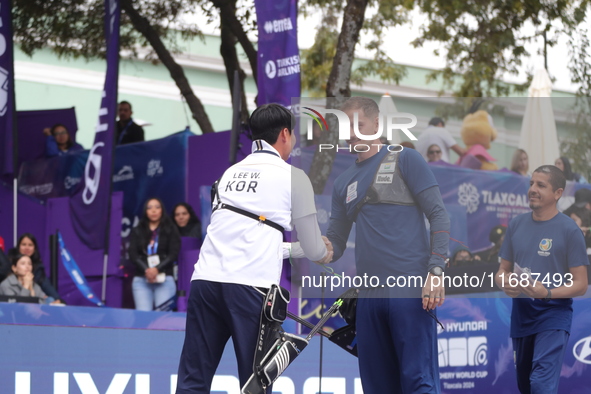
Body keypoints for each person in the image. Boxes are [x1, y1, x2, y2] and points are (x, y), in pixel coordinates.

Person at [176, 103, 331, 393]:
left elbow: (253, 239)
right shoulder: (293, 176)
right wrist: (321, 252)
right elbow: (313, 247)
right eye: (294, 135)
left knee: (193, 379)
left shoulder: (229, 173)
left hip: (206, 283)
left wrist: (295, 249)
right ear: (285, 134)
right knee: (255, 384)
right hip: (250, 288)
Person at [322, 97, 450, 393]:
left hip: (409, 289)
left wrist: (436, 271)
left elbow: (439, 215)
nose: (352, 133)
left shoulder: (405, 158)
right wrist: (311, 247)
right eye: (346, 127)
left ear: (377, 124)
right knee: (377, 386)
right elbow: (336, 244)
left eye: (359, 125)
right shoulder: (342, 182)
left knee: (419, 382)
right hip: (367, 298)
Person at [496, 165, 589, 394]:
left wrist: (546, 293)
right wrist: (505, 283)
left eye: (541, 185)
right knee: (526, 386)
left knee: (541, 385)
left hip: (553, 317)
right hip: (521, 319)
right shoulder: (516, 225)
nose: (532, 189)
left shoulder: (569, 230)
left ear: (558, 193)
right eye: (531, 184)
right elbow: (502, 271)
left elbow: (581, 284)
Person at [129, 198, 180, 311]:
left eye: (157, 207)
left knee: (163, 319)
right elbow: (132, 254)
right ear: (145, 211)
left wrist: (156, 269)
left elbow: (173, 253)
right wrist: (147, 270)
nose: (153, 210)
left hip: (164, 278)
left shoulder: (170, 229)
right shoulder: (137, 230)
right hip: (142, 279)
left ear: (162, 210)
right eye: (149, 207)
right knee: (143, 318)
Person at [7, 233, 62, 302]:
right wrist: (26, 286)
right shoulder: (7, 280)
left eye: (30, 245)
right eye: (24, 244)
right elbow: (16, 307)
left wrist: (57, 300)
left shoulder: (38, 269)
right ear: (14, 268)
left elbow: (46, 291)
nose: (27, 248)